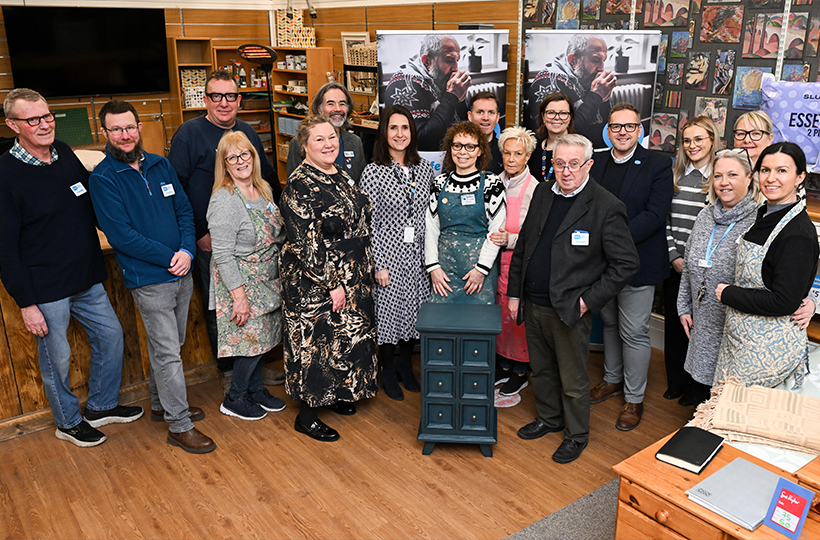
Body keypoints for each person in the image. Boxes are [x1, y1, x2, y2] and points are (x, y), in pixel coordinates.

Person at [0, 88, 142, 448]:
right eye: (33, 119)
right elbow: (5, 247)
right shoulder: (5, 174)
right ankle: (68, 421)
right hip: (45, 287)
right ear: (12, 125)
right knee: (56, 359)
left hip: (85, 277)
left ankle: (101, 405)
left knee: (111, 337)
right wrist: (26, 303)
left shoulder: (63, 153)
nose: (44, 124)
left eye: (47, 116)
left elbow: (91, 202)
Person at [90, 100, 215, 454]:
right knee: (167, 353)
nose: (124, 135)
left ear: (139, 127)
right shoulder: (102, 179)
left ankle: (162, 405)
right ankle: (179, 425)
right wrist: (170, 257)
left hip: (181, 270)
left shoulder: (161, 165)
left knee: (170, 347)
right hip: (149, 278)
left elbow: (185, 211)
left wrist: (188, 251)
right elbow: (122, 236)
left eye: (129, 127)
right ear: (105, 133)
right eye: (116, 129)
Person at [508, 134, 639, 464]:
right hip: (533, 301)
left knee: (573, 379)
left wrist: (587, 302)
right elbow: (524, 245)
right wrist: (514, 293)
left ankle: (576, 434)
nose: (566, 171)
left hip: (569, 308)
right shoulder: (542, 192)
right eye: (559, 163)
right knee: (540, 371)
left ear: (588, 165)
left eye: (573, 165)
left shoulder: (606, 206)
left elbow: (626, 264)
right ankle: (550, 419)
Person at [168, 69, 281, 392]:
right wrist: (197, 232)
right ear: (205, 99)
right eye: (216, 96)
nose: (223, 102)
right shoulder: (189, 134)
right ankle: (231, 372)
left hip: (255, 245)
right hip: (211, 239)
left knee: (257, 311)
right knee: (227, 307)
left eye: (230, 96)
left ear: (239, 100)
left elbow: (268, 177)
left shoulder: (246, 132)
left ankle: (252, 370)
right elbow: (176, 190)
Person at [280, 116, 379, 442]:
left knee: (343, 341)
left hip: (352, 274)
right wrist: (332, 283)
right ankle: (307, 417)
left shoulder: (342, 175)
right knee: (317, 345)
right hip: (315, 282)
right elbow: (304, 244)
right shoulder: (299, 185)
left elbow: (359, 225)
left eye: (332, 138)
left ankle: (335, 395)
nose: (328, 144)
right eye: (319, 140)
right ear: (305, 145)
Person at [588, 103, 674, 432]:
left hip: (637, 262)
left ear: (640, 130)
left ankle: (634, 398)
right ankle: (611, 380)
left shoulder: (657, 163)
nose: (622, 132)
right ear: (607, 131)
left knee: (634, 331)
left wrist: (611, 239)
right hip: (601, 263)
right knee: (609, 322)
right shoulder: (596, 163)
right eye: (616, 126)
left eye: (629, 126)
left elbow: (655, 215)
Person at [714, 142, 819, 388]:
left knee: (738, 418)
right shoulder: (764, 214)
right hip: (742, 338)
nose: (771, 178)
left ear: (800, 177)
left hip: (767, 350)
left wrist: (728, 293)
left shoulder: (798, 233)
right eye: (765, 170)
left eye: (782, 171)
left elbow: (784, 301)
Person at [207, 131, 288, 420]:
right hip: (240, 281)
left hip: (266, 277)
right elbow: (223, 254)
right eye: (233, 157)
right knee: (249, 343)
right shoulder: (225, 199)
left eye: (245, 155)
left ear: (253, 157)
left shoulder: (262, 187)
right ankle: (235, 397)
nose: (240, 161)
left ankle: (255, 391)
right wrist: (238, 297)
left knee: (263, 339)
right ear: (224, 164)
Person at [360, 106, 434, 400]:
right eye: (393, 128)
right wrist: (377, 264)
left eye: (405, 128)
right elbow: (367, 223)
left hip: (417, 255)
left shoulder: (424, 168)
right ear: (384, 132)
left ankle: (406, 365)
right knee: (389, 314)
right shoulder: (373, 171)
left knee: (414, 311)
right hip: (387, 255)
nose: (400, 134)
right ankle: (387, 370)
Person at [664, 116, 720, 407]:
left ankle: (693, 387)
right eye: (687, 140)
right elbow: (667, 221)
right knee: (675, 327)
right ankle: (675, 382)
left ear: (712, 140)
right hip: (676, 266)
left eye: (699, 139)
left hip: (704, 270)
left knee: (698, 329)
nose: (692, 145)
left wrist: (695, 262)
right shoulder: (677, 177)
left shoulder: (718, 179)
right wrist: (674, 256)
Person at [425, 121, 506, 305]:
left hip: (479, 274)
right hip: (444, 274)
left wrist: (481, 269)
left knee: (478, 326)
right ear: (450, 149)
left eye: (470, 147)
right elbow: (431, 228)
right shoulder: (439, 183)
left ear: (480, 151)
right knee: (443, 327)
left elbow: (496, 232)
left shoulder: (492, 183)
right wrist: (433, 267)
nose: (463, 152)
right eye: (457, 146)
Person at [490, 127, 538, 397]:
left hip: (517, 263)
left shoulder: (534, 189)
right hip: (496, 264)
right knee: (500, 317)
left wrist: (508, 239)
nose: (511, 159)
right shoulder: (495, 182)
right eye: (507, 153)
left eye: (517, 154)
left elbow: (534, 236)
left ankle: (520, 371)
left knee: (516, 317)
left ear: (528, 156)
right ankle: (504, 365)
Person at [526, 35, 616, 149]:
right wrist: (595, 96)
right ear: (573, 60)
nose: (601, 68)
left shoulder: (586, 77)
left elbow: (605, 123)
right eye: (596, 60)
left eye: (603, 61)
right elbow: (565, 134)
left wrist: (605, 97)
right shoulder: (550, 81)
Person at [384, 35, 471, 151]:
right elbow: (422, 139)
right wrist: (451, 97)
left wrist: (459, 99)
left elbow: (461, 124)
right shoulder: (406, 82)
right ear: (427, 61)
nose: (455, 68)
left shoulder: (439, 78)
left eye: (457, 61)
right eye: (449, 60)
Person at [286, 82, 366, 182]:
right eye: (330, 104)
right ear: (319, 109)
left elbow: (359, 184)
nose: (337, 109)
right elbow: (294, 183)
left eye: (342, 104)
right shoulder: (300, 142)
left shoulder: (355, 142)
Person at [527, 92, 576, 182]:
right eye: (551, 112)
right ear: (543, 116)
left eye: (563, 113)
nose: (557, 118)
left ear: (570, 117)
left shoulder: (579, 149)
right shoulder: (532, 148)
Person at [468, 91, 503, 175]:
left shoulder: (504, 151)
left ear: (497, 117)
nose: (486, 118)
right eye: (480, 112)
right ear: (470, 116)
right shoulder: (458, 149)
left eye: (491, 112)